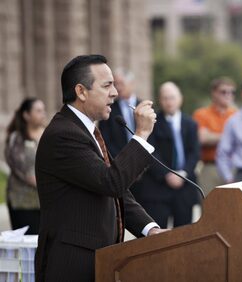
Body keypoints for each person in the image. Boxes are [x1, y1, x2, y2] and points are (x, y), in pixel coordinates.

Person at [34, 54, 167, 282]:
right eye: (107, 85)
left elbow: (118, 192)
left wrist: (150, 229)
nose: (115, 92)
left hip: (98, 259)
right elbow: (111, 182)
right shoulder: (64, 135)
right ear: (81, 91)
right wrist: (142, 135)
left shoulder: (86, 129)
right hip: (72, 264)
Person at [139, 82, 200, 228]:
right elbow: (151, 151)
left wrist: (183, 173)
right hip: (158, 187)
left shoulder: (190, 123)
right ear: (160, 100)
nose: (169, 102)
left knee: (184, 234)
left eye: (172, 97)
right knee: (158, 236)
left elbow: (195, 152)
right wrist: (167, 174)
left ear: (180, 99)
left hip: (185, 186)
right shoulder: (153, 123)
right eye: (165, 98)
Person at [4, 98, 46, 234]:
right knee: (26, 245)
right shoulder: (16, 139)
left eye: (43, 110)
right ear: (26, 115)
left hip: (46, 202)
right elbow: (23, 171)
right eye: (38, 111)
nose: (43, 114)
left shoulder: (48, 134)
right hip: (22, 202)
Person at [193, 77, 237, 195]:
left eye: (232, 92)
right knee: (210, 208)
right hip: (210, 167)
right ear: (214, 93)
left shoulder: (237, 115)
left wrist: (213, 136)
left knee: (236, 210)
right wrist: (230, 137)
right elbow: (202, 138)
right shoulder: (202, 114)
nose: (228, 95)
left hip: (233, 167)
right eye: (223, 92)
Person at [99, 68, 139, 157]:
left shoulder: (144, 106)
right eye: (115, 84)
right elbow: (105, 140)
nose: (118, 88)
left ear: (131, 84)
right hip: (119, 161)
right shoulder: (108, 109)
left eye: (121, 83)